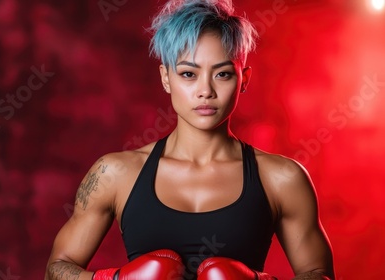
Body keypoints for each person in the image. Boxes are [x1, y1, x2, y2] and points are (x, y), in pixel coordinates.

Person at [45, 0, 335, 279]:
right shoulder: (115, 173)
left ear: (243, 79)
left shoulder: (282, 178)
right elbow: (57, 269)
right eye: (188, 74)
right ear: (166, 78)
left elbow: (320, 275)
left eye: (222, 74)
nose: (205, 90)